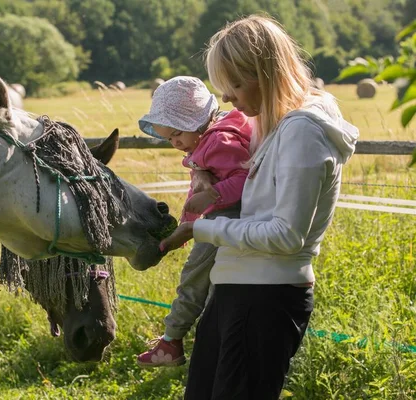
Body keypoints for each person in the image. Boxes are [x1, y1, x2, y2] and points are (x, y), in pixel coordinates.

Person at [159, 15, 360, 399]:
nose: (228, 97)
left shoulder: (303, 132)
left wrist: (199, 228)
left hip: (266, 296)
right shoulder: (269, 126)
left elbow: (286, 235)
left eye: (235, 83)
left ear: (267, 74)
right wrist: (202, 173)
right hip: (235, 288)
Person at [136, 76, 252, 367]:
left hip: (227, 219)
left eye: (177, 134)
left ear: (196, 122)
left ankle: (172, 339)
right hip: (219, 219)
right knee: (208, 282)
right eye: (169, 139)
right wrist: (185, 226)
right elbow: (194, 195)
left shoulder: (219, 142)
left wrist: (212, 195)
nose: (175, 143)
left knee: (193, 276)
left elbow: (245, 179)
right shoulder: (207, 140)